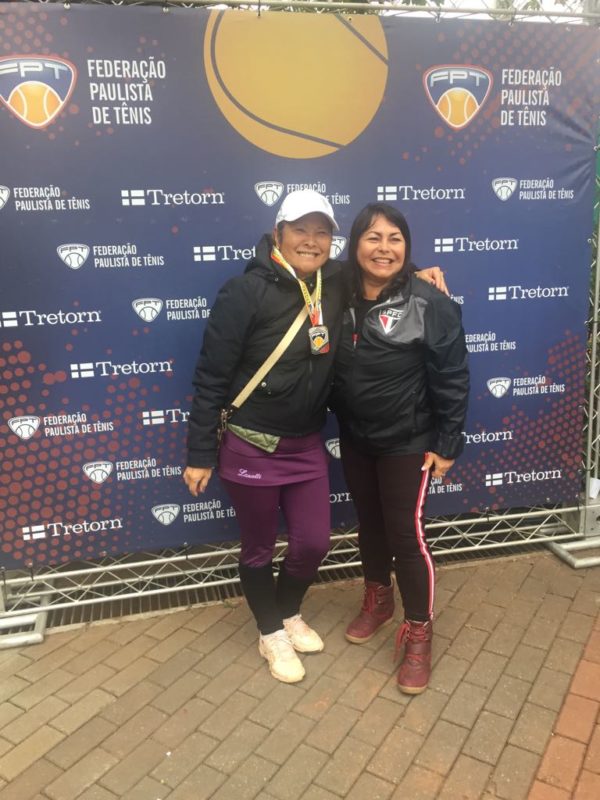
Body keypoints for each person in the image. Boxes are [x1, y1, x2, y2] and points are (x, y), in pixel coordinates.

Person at [183, 190, 447, 685]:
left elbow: (381, 269)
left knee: (312, 543)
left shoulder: (335, 280)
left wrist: (420, 275)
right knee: (259, 548)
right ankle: (269, 631)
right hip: (252, 442)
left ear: (332, 240)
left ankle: (286, 613)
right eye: (300, 230)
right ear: (278, 233)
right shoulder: (243, 292)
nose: (311, 240)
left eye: (321, 231)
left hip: (306, 442)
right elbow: (211, 378)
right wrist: (199, 451)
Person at [329, 202, 469, 695]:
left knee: (406, 537)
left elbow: (452, 377)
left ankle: (419, 632)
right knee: (369, 525)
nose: (383, 248)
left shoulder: (429, 301)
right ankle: (379, 599)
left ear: (407, 247)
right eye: (373, 237)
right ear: (355, 244)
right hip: (356, 437)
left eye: (394, 238)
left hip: (408, 441)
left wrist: (447, 443)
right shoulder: (336, 288)